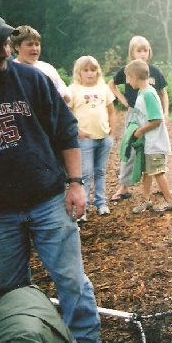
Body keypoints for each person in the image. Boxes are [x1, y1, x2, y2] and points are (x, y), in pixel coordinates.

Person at [0, 6, 104, 343]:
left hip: (48, 199)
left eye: (7, 43)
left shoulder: (31, 79)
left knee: (71, 279)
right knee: (9, 290)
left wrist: (75, 184)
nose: (5, 52)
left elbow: (66, 131)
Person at [109, 36, 170, 201]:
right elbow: (111, 84)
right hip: (135, 114)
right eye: (139, 50)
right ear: (132, 52)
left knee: (154, 149)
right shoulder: (127, 70)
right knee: (130, 148)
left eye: (145, 50)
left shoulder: (154, 71)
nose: (143, 54)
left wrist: (165, 112)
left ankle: (162, 188)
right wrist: (123, 101)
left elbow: (163, 93)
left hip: (151, 115)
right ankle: (124, 186)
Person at [123, 59, 172, 214]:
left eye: (127, 78)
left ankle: (169, 201)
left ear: (134, 77)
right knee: (148, 171)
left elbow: (157, 119)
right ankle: (145, 199)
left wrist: (140, 131)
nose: (127, 81)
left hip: (155, 142)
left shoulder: (148, 94)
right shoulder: (143, 92)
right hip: (149, 143)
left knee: (157, 171)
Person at [68, 55, 117, 221]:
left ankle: (101, 203)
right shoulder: (73, 89)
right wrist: (76, 132)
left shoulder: (103, 88)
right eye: (86, 70)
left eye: (93, 70)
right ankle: (84, 207)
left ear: (98, 71)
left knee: (101, 171)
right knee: (86, 173)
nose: (90, 73)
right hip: (85, 139)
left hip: (103, 137)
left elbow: (111, 111)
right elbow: (66, 114)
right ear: (79, 72)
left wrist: (112, 132)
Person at [10, 25, 72, 103]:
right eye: (30, 44)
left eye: (37, 44)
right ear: (17, 47)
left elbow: (67, 96)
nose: (35, 48)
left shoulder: (47, 68)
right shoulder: (11, 69)